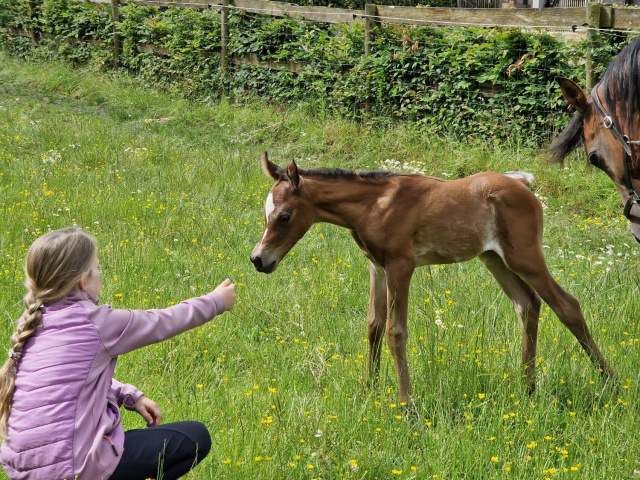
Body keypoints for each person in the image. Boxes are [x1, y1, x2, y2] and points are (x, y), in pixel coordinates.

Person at [0, 227, 236, 480]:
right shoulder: (94, 321)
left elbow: (67, 384)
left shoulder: (32, 321)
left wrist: (128, 394)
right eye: (98, 269)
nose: (100, 275)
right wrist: (216, 301)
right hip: (76, 470)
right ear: (83, 279)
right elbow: (161, 321)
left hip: (22, 470)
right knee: (195, 437)